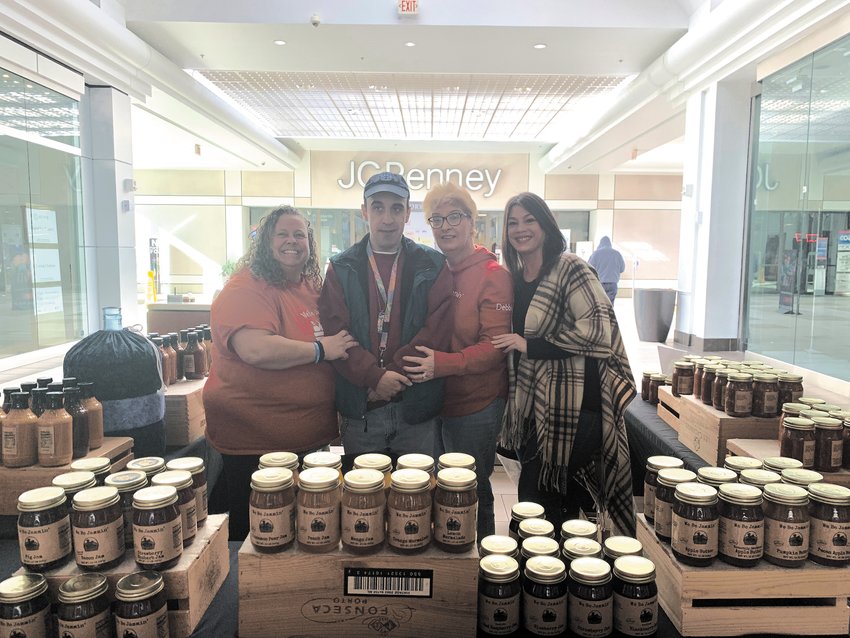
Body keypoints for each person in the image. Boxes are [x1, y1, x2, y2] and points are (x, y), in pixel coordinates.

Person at [204, 206, 357, 539]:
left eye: (300, 234)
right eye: (283, 234)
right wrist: (321, 349)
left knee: (307, 531)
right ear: (265, 242)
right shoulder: (246, 287)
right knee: (259, 537)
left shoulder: (309, 286)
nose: (292, 241)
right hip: (255, 446)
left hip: (308, 440)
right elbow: (256, 349)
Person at [492, 193, 637, 536]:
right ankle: (568, 579)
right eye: (512, 222)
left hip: (574, 411)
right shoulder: (515, 276)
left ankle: (533, 575)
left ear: (545, 224)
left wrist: (530, 345)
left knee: (533, 500)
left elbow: (599, 329)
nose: (520, 229)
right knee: (563, 501)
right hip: (535, 408)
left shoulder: (569, 266)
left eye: (529, 220)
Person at [402, 182, 513, 539]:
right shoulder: (432, 269)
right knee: (437, 489)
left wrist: (442, 364)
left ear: (471, 221)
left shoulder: (493, 276)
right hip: (431, 402)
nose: (446, 226)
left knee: (471, 488)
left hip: (476, 403)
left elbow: (495, 347)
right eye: (437, 219)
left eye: (455, 217)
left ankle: (479, 567)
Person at [318, 172, 454, 459]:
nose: (387, 218)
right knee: (365, 498)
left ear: (407, 213)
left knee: (415, 497)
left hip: (415, 406)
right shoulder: (341, 268)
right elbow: (336, 333)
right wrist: (374, 377)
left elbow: (437, 330)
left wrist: (390, 377)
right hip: (362, 407)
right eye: (378, 207)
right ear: (364, 211)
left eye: (396, 208)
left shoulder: (433, 264)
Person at [587, 235, 626, 304]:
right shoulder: (617, 254)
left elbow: (589, 268)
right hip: (613, 283)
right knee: (610, 305)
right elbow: (622, 269)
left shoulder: (596, 254)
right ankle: (609, 314)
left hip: (599, 283)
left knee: (600, 305)